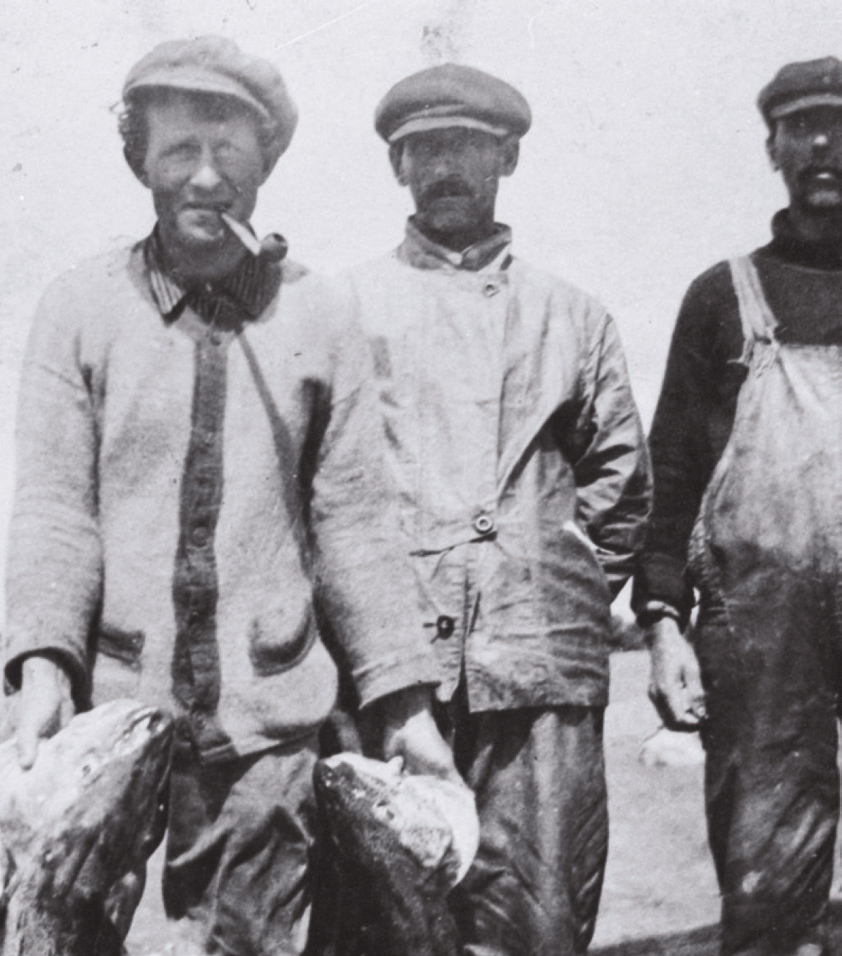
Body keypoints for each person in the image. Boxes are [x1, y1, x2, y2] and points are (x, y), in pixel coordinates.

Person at [5, 35, 455, 956]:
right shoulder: (79, 307)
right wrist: (45, 670)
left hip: (266, 726)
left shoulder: (319, 313)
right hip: (109, 723)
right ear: (141, 161)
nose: (206, 178)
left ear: (265, 163)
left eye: (231, 154)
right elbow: (55, 509)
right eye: (179, 152)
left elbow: (355, 522)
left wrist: (404, 708)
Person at [341, 64, 651, 955]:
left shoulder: (572, 316)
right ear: (397, 165)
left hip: (541, 669)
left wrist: (547, 573)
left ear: (507, 157)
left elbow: (620, 482)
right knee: (385, 923)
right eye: (424, 148)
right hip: (394, 674)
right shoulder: (344, 307)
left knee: (538, 921)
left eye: (467, 147)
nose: (446, 167)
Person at [638, 56, 842, 956]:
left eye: (840, 122)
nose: (825, 145)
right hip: (762, 635)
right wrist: (661, 622)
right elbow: (671, 474)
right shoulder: (724, 297)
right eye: (803, 127)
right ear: (772, 147)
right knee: (765, 895)